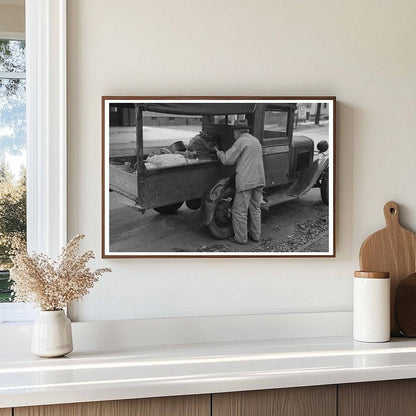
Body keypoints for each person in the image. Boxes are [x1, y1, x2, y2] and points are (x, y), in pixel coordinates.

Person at [215, 119, 265, 244]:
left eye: (234, 131)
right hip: (259, 179)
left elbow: (227, 160)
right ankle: (256, 235)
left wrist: (219, 153)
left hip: (246, 181)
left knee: (239, 211)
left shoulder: (241, 141)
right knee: (255, 208)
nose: (233, 134)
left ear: (238, 131)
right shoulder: (255, 140)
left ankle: (241, 238)